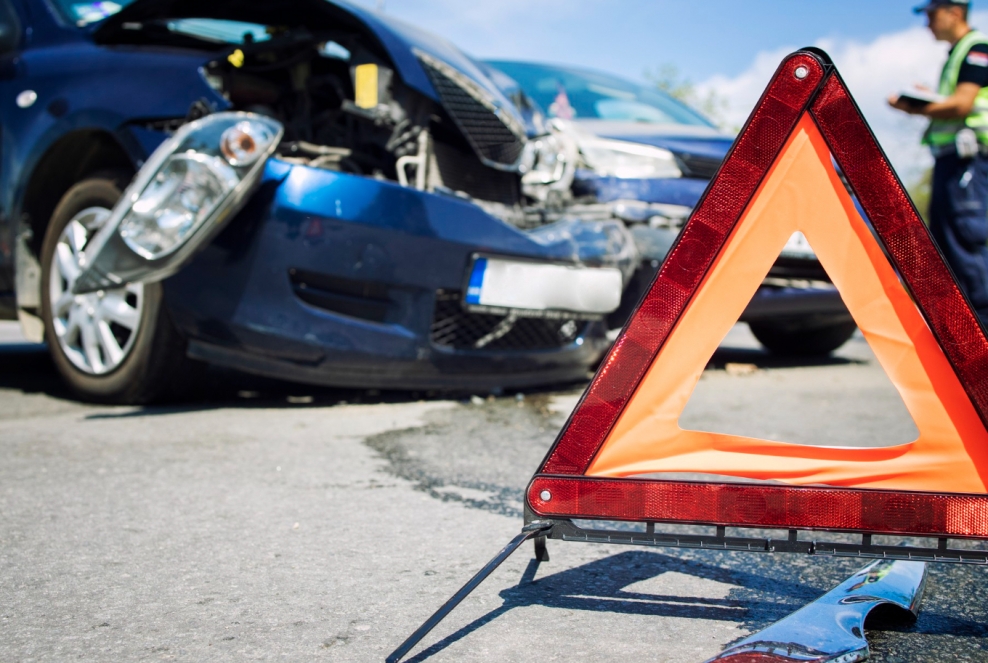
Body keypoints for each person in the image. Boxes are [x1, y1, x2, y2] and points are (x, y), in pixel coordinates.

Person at [890, 0, 988, 327]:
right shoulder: (957, 53)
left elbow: (962, 104)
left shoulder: (976, 48)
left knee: (967, 247)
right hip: (955, 165)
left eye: (931, 14)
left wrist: (914, 108)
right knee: (949, 248)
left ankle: (981, 338)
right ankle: (964, 335)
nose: (927, 23)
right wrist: (930, 98)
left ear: (954, 12)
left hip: (969, 165)